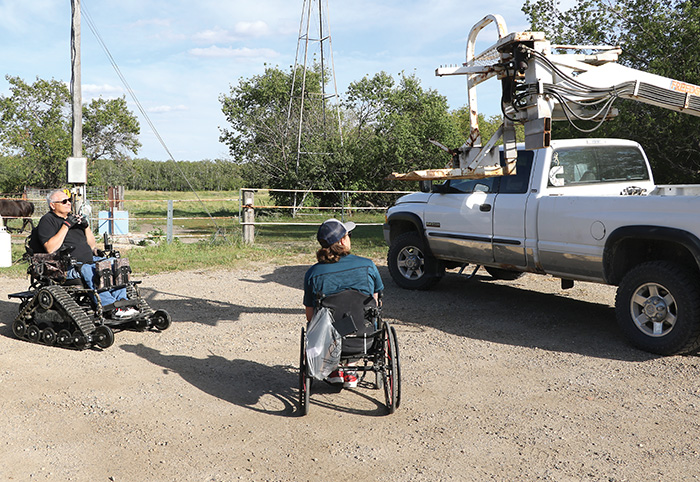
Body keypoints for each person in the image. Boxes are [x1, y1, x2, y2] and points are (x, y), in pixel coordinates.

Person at [303, 218, 384, 388]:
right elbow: (375, 302)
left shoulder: (313, 273)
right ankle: (350, 370)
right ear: (342, 241)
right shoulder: (368, 266)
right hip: (365, 338)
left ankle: (334, 368)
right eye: (349, 235)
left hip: (328, 340)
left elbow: (311, 316)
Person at [34, 189, 138, 319]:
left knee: (114, 263)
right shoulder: (47, 220)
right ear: (52, 205)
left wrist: (86, 226)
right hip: (67, 267)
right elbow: (50, 248)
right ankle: (110, 306)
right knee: (92, 269)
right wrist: (66, 225)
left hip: (89, 260)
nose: (69, 203)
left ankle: (123, 302)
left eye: (69, 200)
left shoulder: (73, 219)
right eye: (64, 201)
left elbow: (92, 245)